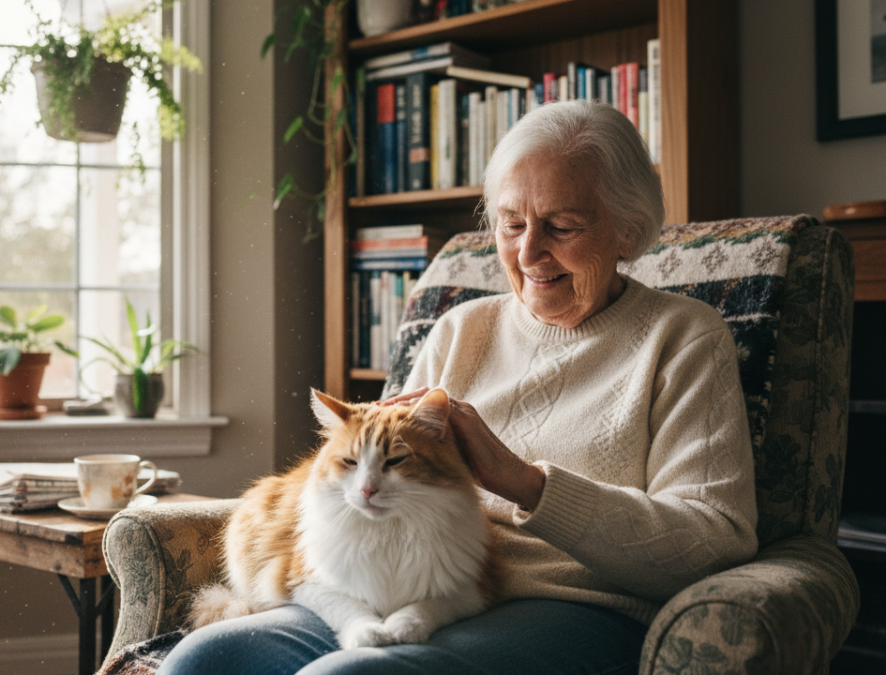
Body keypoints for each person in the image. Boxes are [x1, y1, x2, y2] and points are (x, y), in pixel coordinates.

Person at [158, 100, 759, 675]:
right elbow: (376, 477)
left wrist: (529, 485)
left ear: (628, 230)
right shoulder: (460, 330)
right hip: (418, 586)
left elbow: (715, 542)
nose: (528, 253)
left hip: (574, 607)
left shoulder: (684, 338)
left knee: (354, 674)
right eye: (512, 223)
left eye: (562, 226)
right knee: (203, 661)